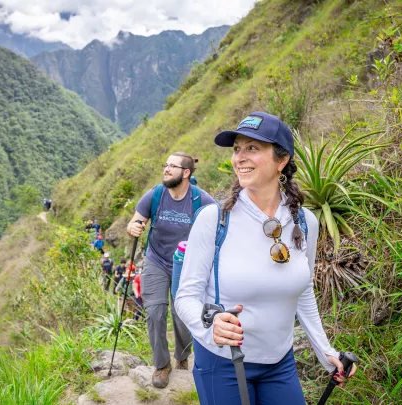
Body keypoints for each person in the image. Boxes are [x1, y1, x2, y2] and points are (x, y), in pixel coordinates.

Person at [175, 112, 357, 404]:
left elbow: (303, 289)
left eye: (253, 148)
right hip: (223, 362)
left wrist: (326, 351)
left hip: (279, 363)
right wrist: (210, 326)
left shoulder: (306, 223)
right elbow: (185, 297)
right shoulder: (215, 220)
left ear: (281, 160)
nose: (240, 158)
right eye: (237, 149)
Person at [127, 152, 214, 388]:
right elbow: (135, 221)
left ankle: (182, 357)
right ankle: (162, 365)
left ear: (186, 173)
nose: (166, 169)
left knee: (182, 314)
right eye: (165, 164)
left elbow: (219, 226)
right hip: (155, 260)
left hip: (185, 264)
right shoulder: (155, 194)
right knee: (154, 312)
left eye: (172, 166)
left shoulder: (201, 200)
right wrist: (134, 228)